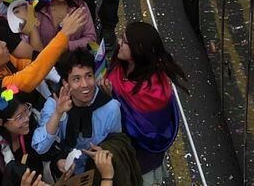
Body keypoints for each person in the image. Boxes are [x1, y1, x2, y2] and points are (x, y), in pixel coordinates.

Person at [107, 22, 186, 182]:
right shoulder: (123, 63)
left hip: (140, 160)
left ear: (138, 50)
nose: (119, 43)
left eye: (124, 40)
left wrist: (109, 98)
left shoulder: (154, 93)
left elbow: (136, 130)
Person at [32, 49, 125, 156]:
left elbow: (119, 144)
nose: (85, 84)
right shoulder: (54, 103)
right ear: (66, 83)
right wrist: (58, 114)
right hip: (64, 166)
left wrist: (106, 152)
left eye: (89, 76)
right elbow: (39, 147)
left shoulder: (110, 107)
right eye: (76, 79)